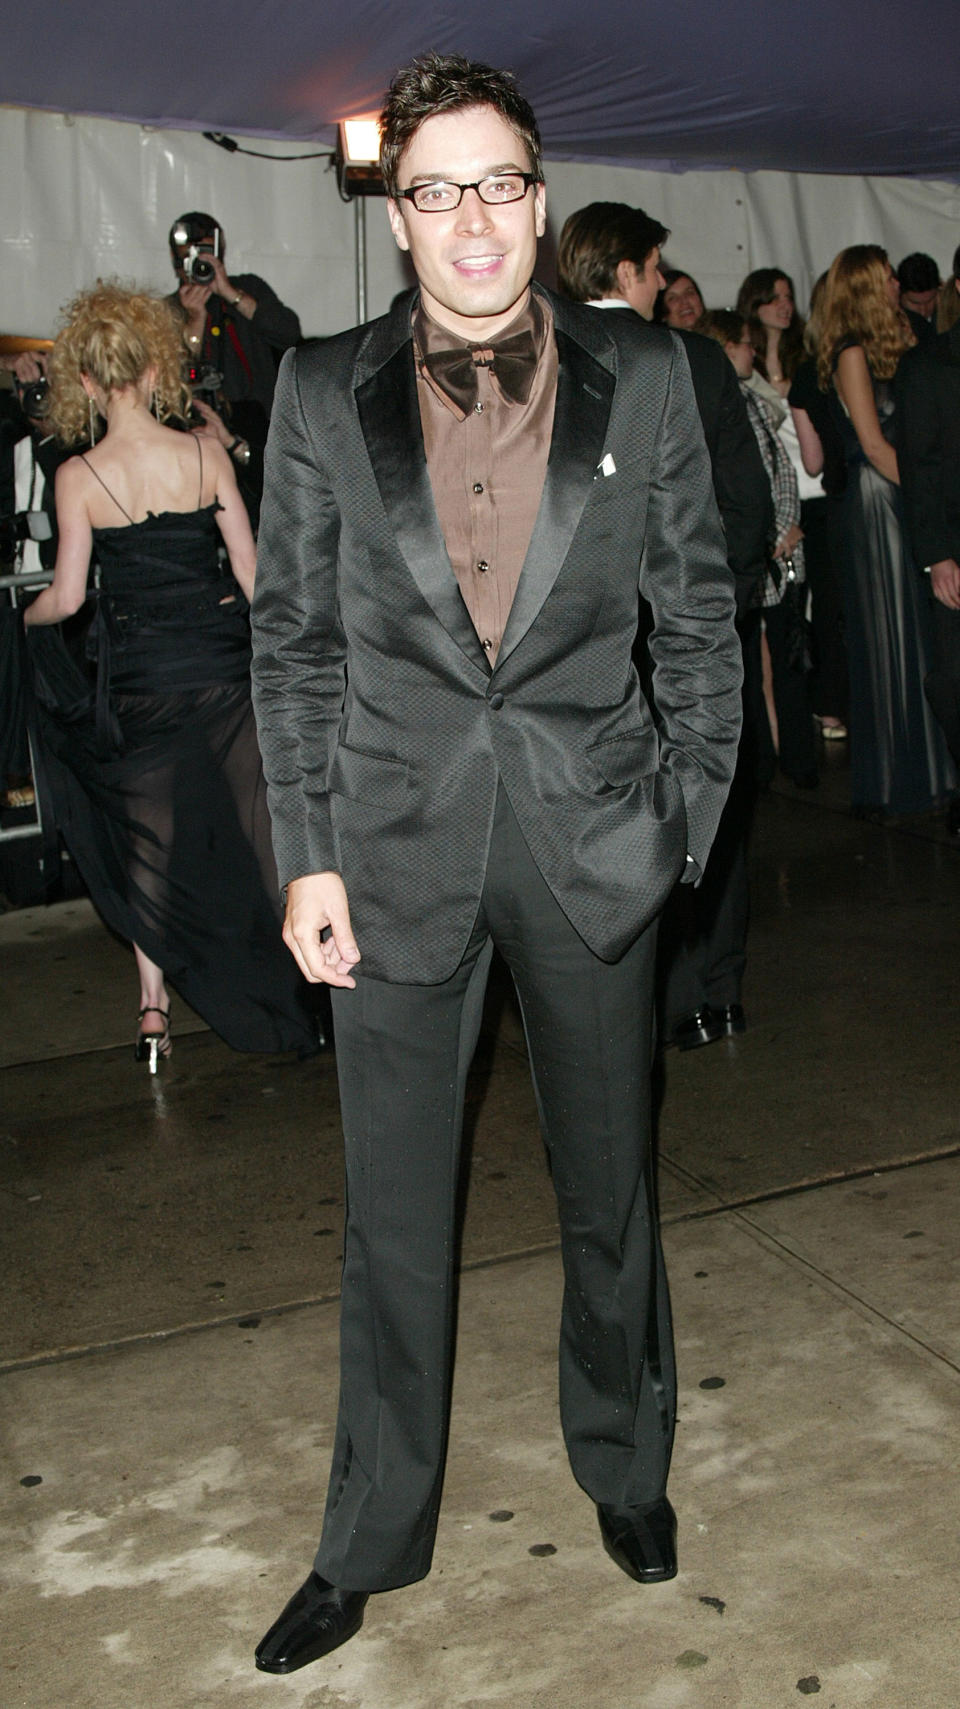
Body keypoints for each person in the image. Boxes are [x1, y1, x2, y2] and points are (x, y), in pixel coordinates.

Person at [250, 52, 743, 1674]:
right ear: (400, 214)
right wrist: (306, 852)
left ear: (540, 197)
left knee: (609, 1192)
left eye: (501, 183)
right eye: (437, 187)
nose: (473, 218)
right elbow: (297, 640)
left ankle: (625, 1458)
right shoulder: (320, 388)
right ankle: (367, 1536)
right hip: (388, 853)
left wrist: (681, 815)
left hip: (597, 839)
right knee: (393, 1220)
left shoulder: (653, 377)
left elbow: (702, 623)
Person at [22, 281, 318, 1065]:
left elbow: (69, 596)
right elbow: (257, 581)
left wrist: (28, 620)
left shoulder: (78, 476)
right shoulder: (204, 452)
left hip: (143, 685)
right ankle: (314, 979)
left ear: (82, 380)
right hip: (225, 671)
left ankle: (152, 1010)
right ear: (157, 371)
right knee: (265, 836)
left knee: (147, 843)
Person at [556, 199, 771, 1048]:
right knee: (707, 798)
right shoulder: (691, 362)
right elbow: (743, 497)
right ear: (626, 272)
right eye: (653, 270)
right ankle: (719, 991)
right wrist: (728, 601)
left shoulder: (542, 360)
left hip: (595, 642)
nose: (662, 286)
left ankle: (652, 998)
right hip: (690, 621)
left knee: (614, 810)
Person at [818, 245, 955, 816]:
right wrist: (929, 493)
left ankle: (934, 768)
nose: (898, 283)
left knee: (924, 637)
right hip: (880, 505)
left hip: (903, 500)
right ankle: (903, 775)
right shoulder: (853, 354)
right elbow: (874, 447)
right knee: (893, 635)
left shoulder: (906, 342)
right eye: (888, 276)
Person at [702, 309, 819, 791]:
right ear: (726, 348)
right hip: (759, 556)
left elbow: (781, 471)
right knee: (750, 669)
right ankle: (762, 765)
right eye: (745, 344)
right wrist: (770, 536)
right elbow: (744, 483)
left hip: (777, 550)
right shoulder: (722, 402)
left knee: (787, 661)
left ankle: (790, 759)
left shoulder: (748, 398)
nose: (753, 351)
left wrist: (786, 524)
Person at [895, 261, 960, 819]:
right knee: (952, 680)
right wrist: (937, 554)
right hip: (956, 546)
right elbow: (920, 466)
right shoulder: (928, 366)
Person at [736, 268, 805, 398]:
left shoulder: (803, 349)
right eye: (775, 299)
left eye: (788, 297)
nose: (786, 305)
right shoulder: (742, 355)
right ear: (755, 305)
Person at [896, 252, 940, 347]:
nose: (923, 311)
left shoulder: (951, 316)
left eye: (929, 301)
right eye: (915, 303)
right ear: (898, 294)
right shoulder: (890, 325)